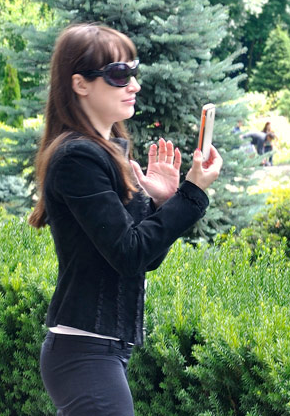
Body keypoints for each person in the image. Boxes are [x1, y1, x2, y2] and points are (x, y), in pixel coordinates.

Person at [28, 23, 223, 416]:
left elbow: (142, 257)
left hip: (99, 348)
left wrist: (162, 201)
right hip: (84, 352)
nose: (133, 84)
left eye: (133, 71)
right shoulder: (77, 158)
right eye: (119, 74)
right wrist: (191, 194)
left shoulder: (105, 154)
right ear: (80, 84)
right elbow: (129, 254)